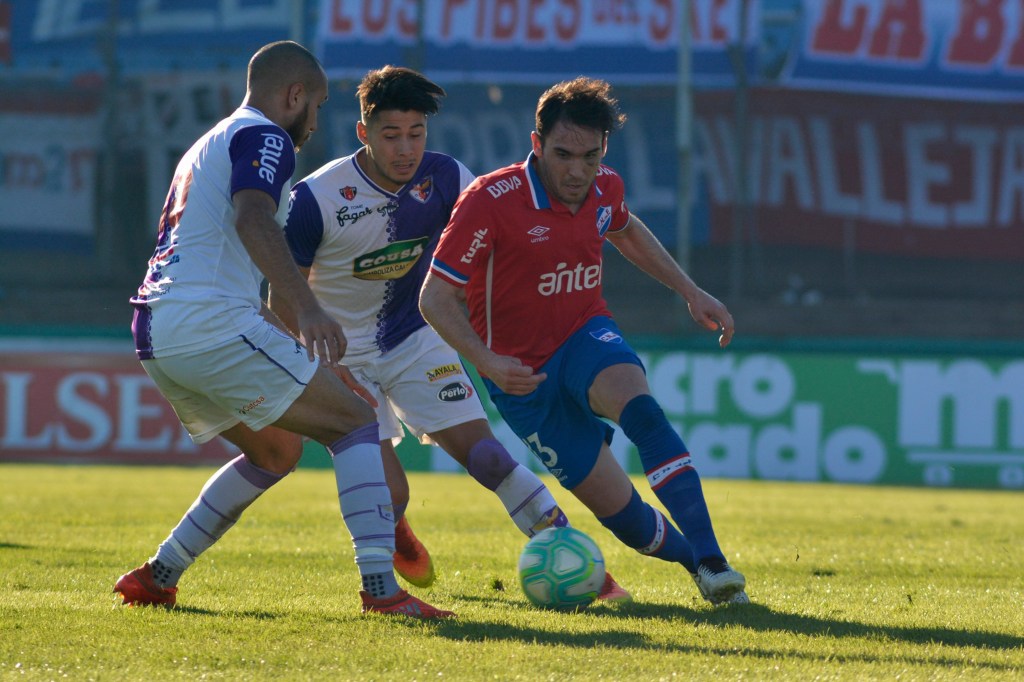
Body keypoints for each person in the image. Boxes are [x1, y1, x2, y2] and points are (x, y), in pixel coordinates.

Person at [113, 42, 453, 619]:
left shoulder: (209, 143)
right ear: (293, 95)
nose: (315, 122)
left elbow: (224, 258)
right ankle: (381, 592)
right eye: (315, 106)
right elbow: (251, 219)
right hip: (209, 321)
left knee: (275, 450)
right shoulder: (266, 135)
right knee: (354, 421)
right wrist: (310, 310)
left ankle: (158, 575)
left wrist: (293, 335)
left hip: (158, 329)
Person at [268, 65, 628, 601]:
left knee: (487, 457)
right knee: (392, 491)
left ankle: (572, 556)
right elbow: (280, 300)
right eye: (391, 135)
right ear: (364, 133)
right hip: (342, 354)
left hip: (416, 336)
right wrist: (321, 363)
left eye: (417, 134)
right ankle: (394, 528)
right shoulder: (315, 200)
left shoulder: (448, 177)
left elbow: (490, 245)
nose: (406, 149)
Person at [420, 77, 749, 605]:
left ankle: (714, 560)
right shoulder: (488, 200)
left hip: (584, 333)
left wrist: (691, 291)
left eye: (591, 156)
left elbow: (625, 229)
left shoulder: (605, 186)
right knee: (629, 522)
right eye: (563, 154)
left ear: (604, 150)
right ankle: (695, 563)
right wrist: (485, 362)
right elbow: (434, 298)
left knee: (644, 416)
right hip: (520, 379)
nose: (577, 170)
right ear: (536, 143)